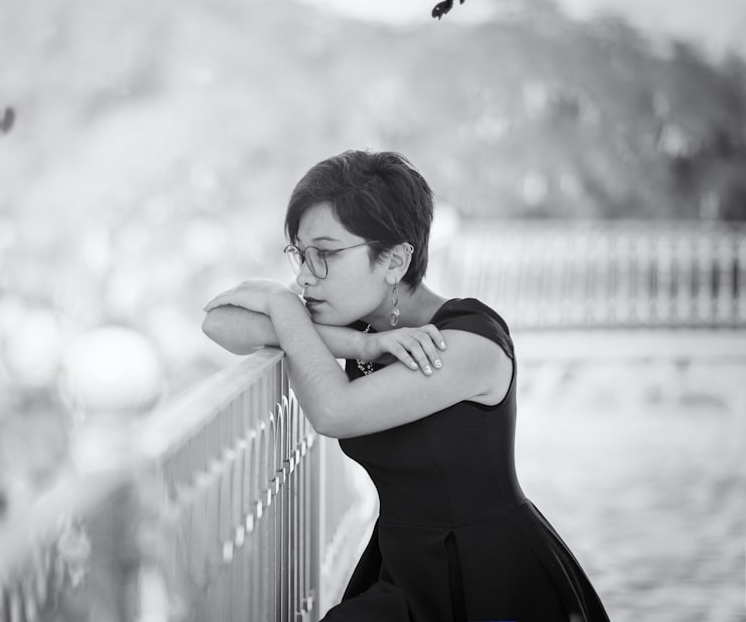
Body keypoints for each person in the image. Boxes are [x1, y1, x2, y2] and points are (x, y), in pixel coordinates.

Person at [201, 150, 610, 622]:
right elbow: (220, 323)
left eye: (327, 254)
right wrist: (358, 343)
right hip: (403, 567)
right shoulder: (371, 333)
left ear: (394, 260)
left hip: (487, 577)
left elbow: (335, 411)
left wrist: (280, 302)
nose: (304, 277)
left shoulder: (467, 340)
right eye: (300, 254)